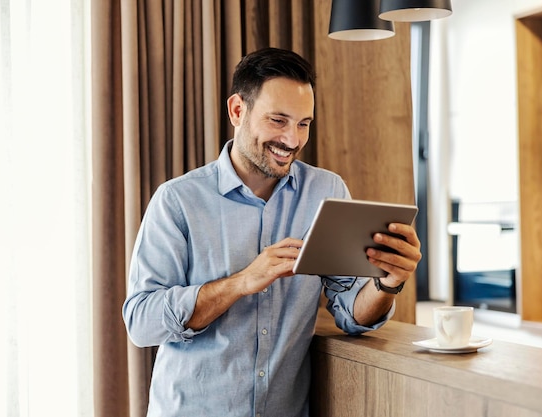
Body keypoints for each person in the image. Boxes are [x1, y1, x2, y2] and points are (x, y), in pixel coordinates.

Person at [122, 47, 421, 417]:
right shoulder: (177, 200)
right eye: (278, 120)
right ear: (237, 110)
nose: (292, 140)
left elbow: (349, 312)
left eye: (303, 124)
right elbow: (141, 322)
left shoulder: (326, 192)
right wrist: (242, 282)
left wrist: (387, 283)